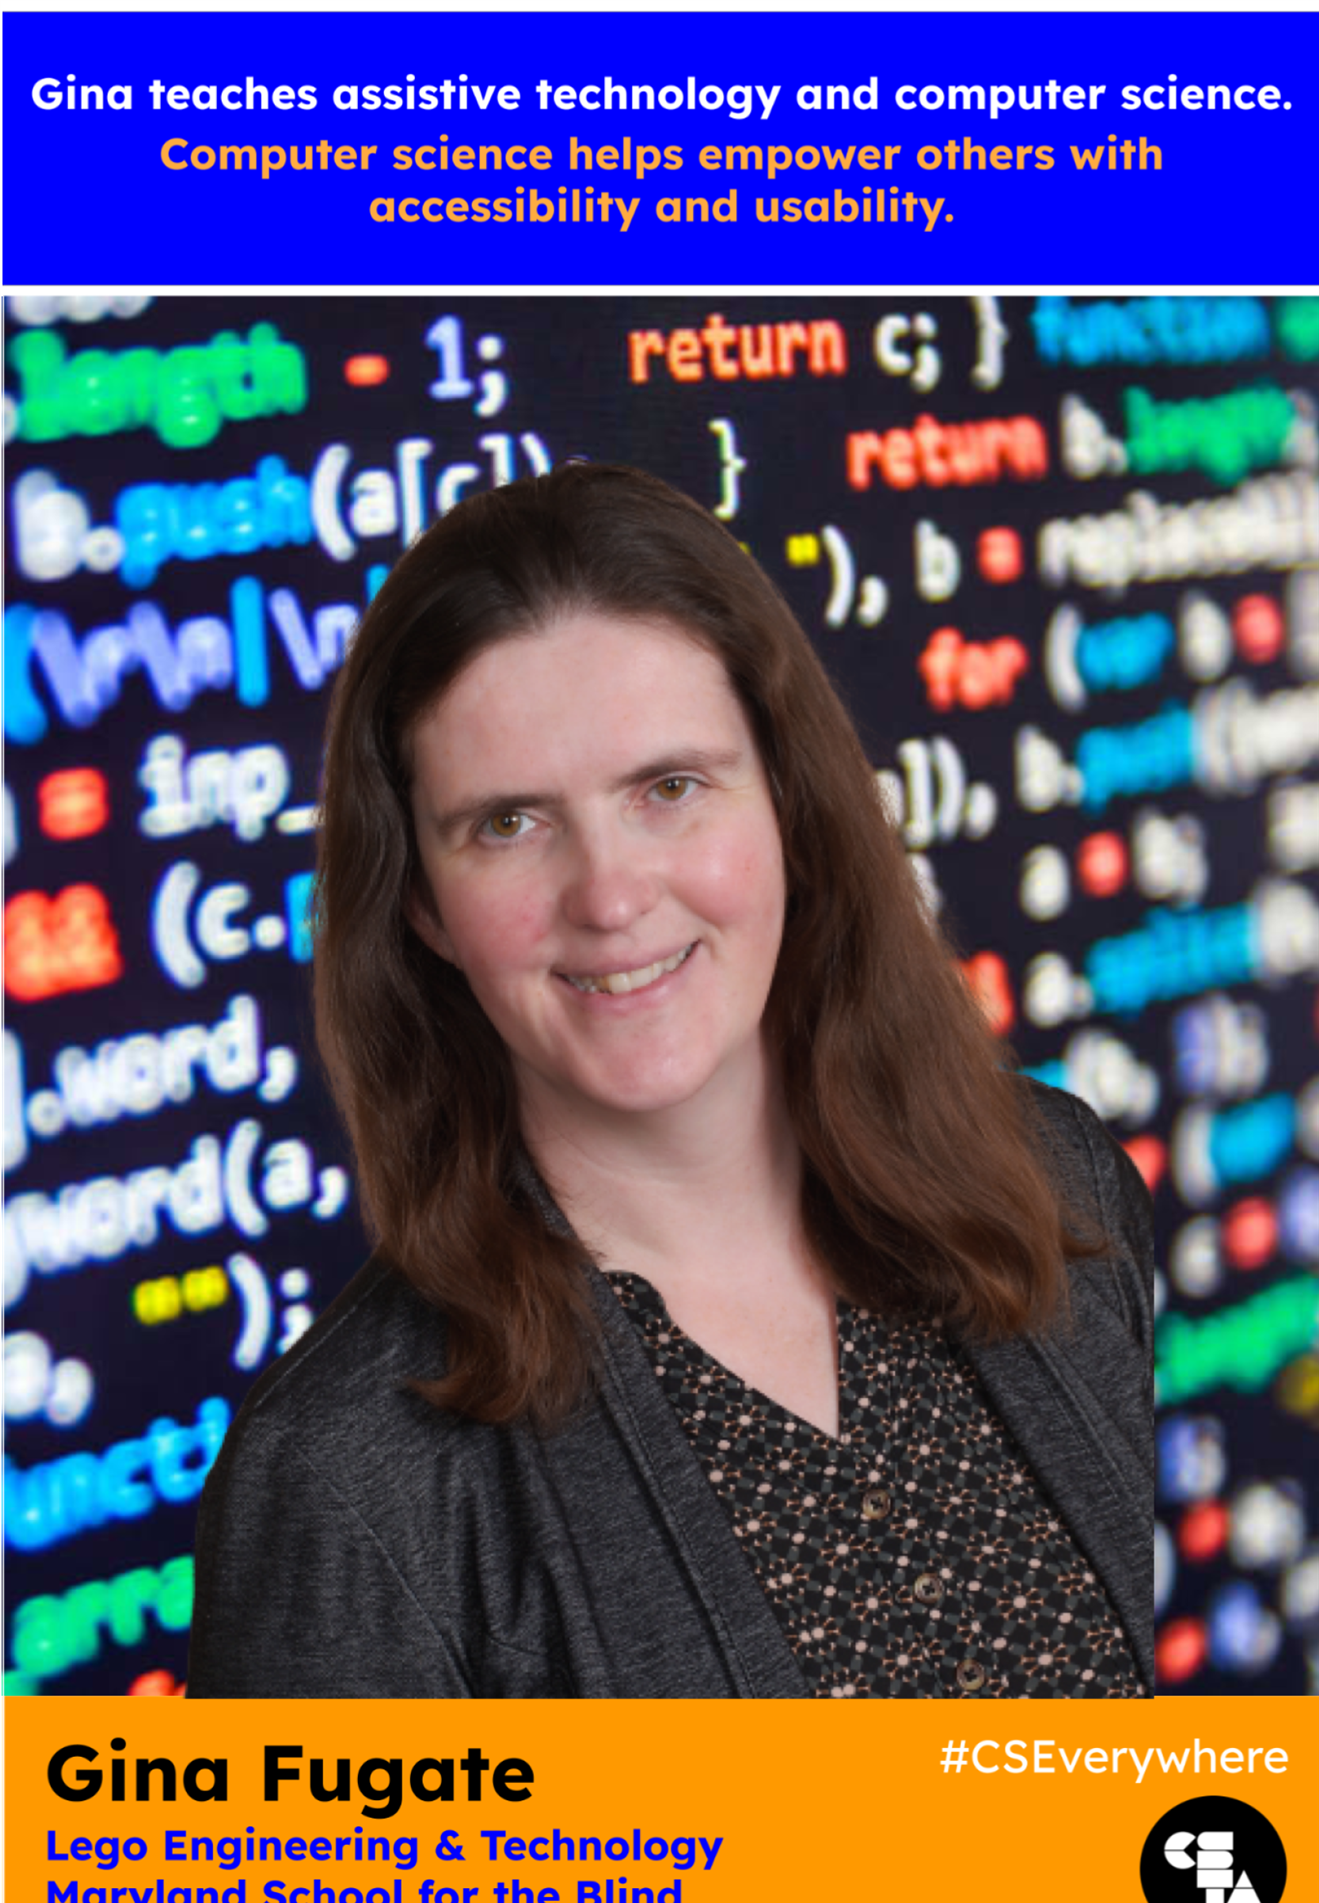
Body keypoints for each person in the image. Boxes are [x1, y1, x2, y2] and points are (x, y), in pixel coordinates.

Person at [187, 462, 1154, 1700]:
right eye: (508, 824)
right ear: (421, 904)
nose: (609, 897)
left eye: (669, 788)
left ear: (790, 806)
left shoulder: (1061, 1191)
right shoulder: (341, 1482)